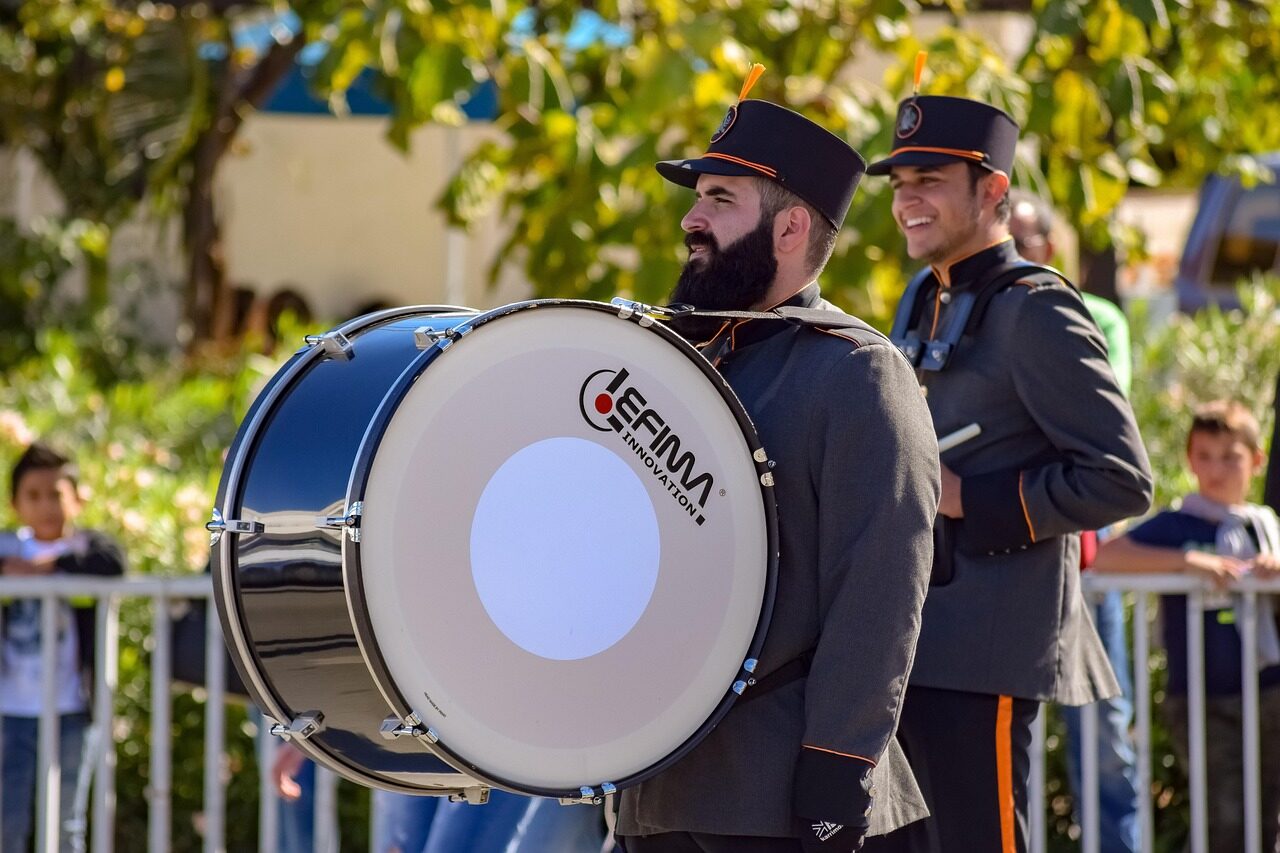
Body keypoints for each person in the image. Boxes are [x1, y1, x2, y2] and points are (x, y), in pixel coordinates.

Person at [616, 66, 941, 852]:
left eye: (719, 199)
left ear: (791, 229)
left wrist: (837, 774)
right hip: (657, 787)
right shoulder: (686, 362)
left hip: (774, 802)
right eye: (698, 197)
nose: (691, 219)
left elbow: (879, 590)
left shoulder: (857, 372)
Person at [861, 89, 1153, 853]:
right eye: (900, 184)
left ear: (993, 189)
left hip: (987, 645)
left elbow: (1121, 477)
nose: (907, 201)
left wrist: (970, 498)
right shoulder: (923, 294)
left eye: (929, 181)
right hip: (911, 640)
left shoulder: (1038, 308)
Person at [1008, 189, 1141, 853]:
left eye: (1022, 241)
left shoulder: (1090, 315)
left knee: (1104, 735)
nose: (1010, 252)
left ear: (1050, 247)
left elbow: (1094, 431)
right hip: (1010, 555)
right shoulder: (947, 308)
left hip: (1081, 555)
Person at [1094, 400, 1280, 853]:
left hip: (1268, 691)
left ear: (1256, 460)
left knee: (1266, 814)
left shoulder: (1265, 527)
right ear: (1190, 460)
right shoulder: (1177, 525)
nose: (1216, 469)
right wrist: (1186, 561)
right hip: (1202, 697)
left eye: (1230, 456)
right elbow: (1106, 556)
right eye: (1205, 456)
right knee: (1224, 817)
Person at [0, 441, 125, 853]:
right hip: (11, 709)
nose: (46, 506)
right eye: (33, 496)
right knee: (7, 823)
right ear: (15, 504)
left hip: (70, 707)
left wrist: (47, 567)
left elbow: (114, 562)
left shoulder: (84, 548)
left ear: (76, 498)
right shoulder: (9, 548)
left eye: (55, 494)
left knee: (67, 824)